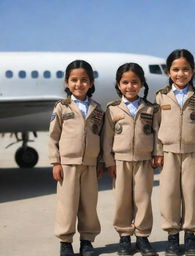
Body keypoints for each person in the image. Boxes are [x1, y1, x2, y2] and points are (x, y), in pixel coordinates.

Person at [155, 49, 195, 256]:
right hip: (168, 153)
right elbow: (156, 126)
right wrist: (158, 151)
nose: (181, 73)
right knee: (169, 194)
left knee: (191, 194)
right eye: (176, 69)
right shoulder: (161, 96)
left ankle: (190, 235)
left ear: (192, 71)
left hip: (191, 153)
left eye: (185, 69)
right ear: (169, 72)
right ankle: (172, 236)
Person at [103, 63, 162, 256]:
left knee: (143, 199)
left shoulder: (151, 108)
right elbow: (107, 139)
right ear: (118, 85)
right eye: (125, 82)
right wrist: (109, 162)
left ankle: (143, 237)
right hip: (120, 162)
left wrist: (157, 154)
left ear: (142, 84)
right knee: (122, 200)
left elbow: (156, 133)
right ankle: (124, 238)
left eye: (134, 82)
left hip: (144, 161)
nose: (130, 86)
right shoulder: (112, 109)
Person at [48, 60, 104, 256]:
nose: (78, 84)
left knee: (89, 204)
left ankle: (87, 241)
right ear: (66, 83)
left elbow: (102, 136)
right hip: (68, 165)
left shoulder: (97, 109)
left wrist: (101, 162)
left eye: (84, 80)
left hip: (90, 165)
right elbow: (53, 137)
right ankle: (65, 242)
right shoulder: (62, 107)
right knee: (67, 205)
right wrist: (56, 162)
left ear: (90, 83)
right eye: (74, 80)